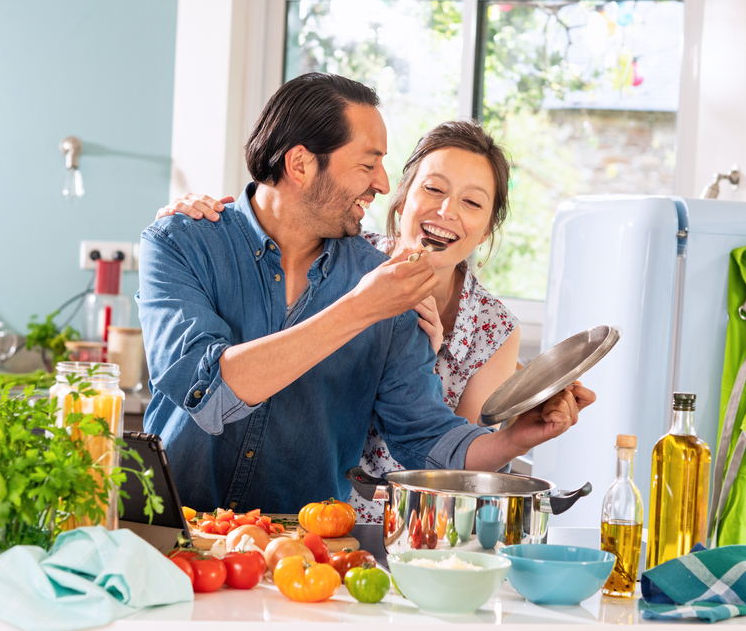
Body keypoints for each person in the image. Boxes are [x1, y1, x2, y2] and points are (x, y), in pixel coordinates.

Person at [139, 73, 595, 514]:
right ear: (300, 164)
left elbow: (427, 443)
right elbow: (209, 393)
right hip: (166, 532)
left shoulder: (388, 284)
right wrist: (360, 308)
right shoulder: (180, 243)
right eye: (367, 163)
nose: (382, 182)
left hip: (303, 557)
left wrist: (517, 437)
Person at [162, 121, 525, 524]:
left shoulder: (490, 327)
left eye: (472, 203)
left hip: (363, 526)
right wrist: (189, 224)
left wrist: (513, 434)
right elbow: (277, 219)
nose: (447, 211)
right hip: (249, 513)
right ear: (402, 200)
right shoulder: (338, 247)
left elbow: (442, 454)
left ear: (489, 227)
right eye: (434, 189)